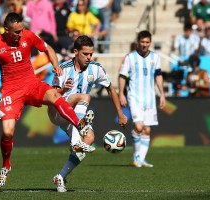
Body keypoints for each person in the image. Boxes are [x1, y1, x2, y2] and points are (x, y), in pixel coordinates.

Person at [0, 12, 94, 188]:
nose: (21, 34)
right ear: (6, 30)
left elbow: (48, 48)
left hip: (31, 84)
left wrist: (55, 65)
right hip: (11, 92)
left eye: (22, 30)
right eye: (16, 32)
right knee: (7, 132)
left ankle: (81, 127)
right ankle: (6, 165)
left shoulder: (28, 35)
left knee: (54, 95)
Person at [49, 35, 128, 192]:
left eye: (91, 54)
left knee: (89, 139)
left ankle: (61, 177)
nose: (89, 57)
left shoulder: (96, 69)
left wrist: (120, 112)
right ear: (76, 52)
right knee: (84, 96)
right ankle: (80, 127)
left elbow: (110, 88)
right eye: (85, 54)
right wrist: (63, 89)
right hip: (58, 111)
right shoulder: (63, 69)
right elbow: (52, 95)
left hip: (76, 114)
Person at [119, 30, 166, 168]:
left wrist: (162, 93)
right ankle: (136, 157)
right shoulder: (130, 57)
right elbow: (122, 76)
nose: (145, 44)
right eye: (142, 42)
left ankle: (142, 160)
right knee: (139, 126)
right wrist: (121, 93)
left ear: (150, 42)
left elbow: (158, 75)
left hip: (150, 99)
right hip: (134, 97)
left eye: (147, 42)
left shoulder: (155, 58)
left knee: (147, 130)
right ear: (138, 42)